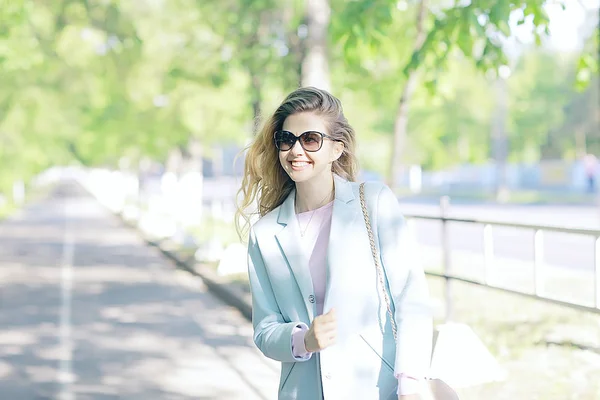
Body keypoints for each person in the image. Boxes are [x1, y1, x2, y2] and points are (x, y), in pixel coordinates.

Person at [236, 87, 433, 399]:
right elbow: (264, 330)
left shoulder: (374, 203)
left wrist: (410, 383)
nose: (295, 150)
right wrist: (303, 339)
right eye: (286, 140)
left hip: (378, 387)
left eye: (310, 139)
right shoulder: (265, 233)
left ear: (336, 149)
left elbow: (410, 296)